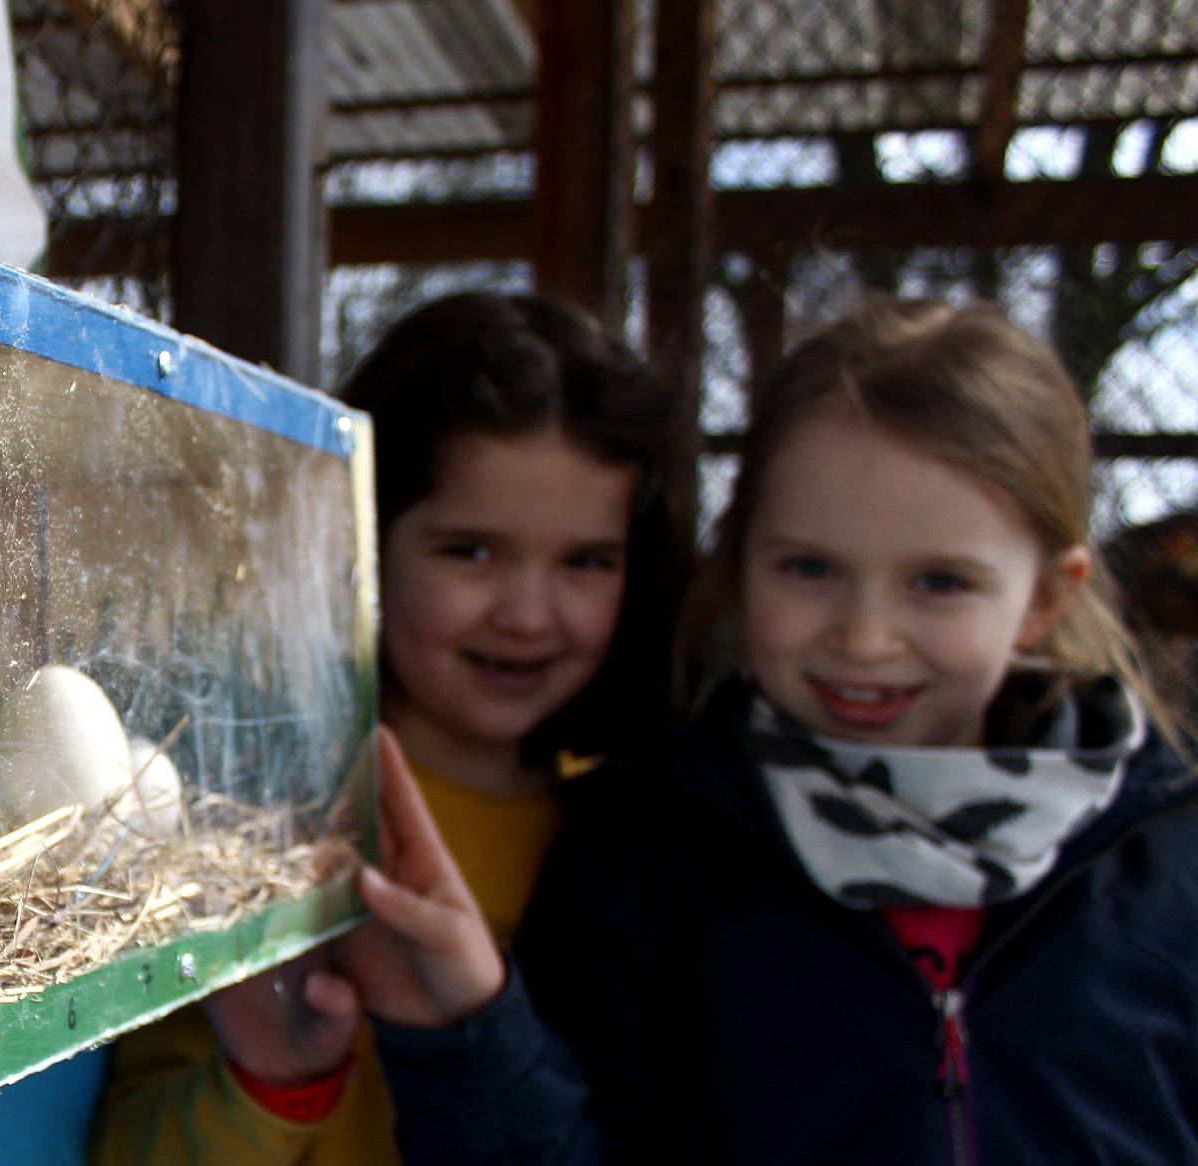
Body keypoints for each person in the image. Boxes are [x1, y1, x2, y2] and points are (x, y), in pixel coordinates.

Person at [354, 298, 1198, 1164]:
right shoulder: (636, 853)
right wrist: (470, 1034)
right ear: (739, 563)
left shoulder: (1167, 867)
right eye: (810, 568)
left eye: (940, 582)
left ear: (1047, 598)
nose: (865, 638)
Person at [91, 292, 692, 1166]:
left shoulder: (636, 840)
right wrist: (265, 1090)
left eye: (586, 562)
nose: (528, 614)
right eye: (469, 551)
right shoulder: (261, 816)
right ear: (360, 539)